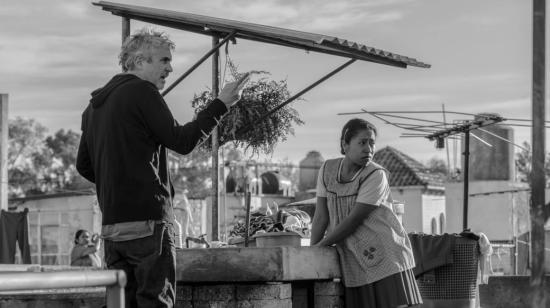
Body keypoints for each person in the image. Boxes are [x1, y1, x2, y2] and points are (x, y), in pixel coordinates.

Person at [76, 28, 249, 307]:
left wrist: (119, 183)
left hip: (112, 228)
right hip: (148, 223)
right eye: (164, 60)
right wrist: (220, 105)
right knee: (156, 302)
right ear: (139, 61)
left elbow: (83, 165)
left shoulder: (94, 106)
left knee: (122, 302)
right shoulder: (142, 92)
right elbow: (181, 141)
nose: (170, 68)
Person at [310, 118, 422, 308]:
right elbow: (321, 216)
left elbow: (353, 219)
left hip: (386, 255)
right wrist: (312, 253)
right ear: (345, 144)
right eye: (362, 142)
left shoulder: (376, 175)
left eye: (372, 143)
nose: (368, 149)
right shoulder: (326, 170)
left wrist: (322, 246)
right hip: (354, 259)